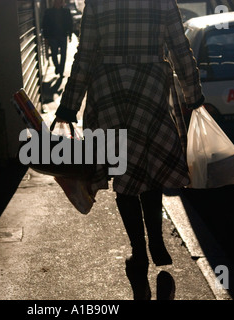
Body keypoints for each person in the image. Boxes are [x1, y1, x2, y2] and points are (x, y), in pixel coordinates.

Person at [54, 0, 204, 300]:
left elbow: (84, 55)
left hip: (107, 88)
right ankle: (156, 241)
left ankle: (138, 251)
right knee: (149, 167)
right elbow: (180, 48)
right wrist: (193, 94)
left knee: (123, 172)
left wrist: (69, 104)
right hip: (150, 85)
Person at [42, 0, 73, 77]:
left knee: (63, 55)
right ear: (54, 2)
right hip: (53, 37)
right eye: (57, 1)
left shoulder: (66, 11)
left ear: (62, 2)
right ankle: (57, 67)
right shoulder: (48, 12)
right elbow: (44, 25)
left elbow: (70, 23)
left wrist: (70, 35)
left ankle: (61, 72)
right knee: (54, 54)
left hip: (63, 36)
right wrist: (46, 37)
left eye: (60, 1)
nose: (58, 3)